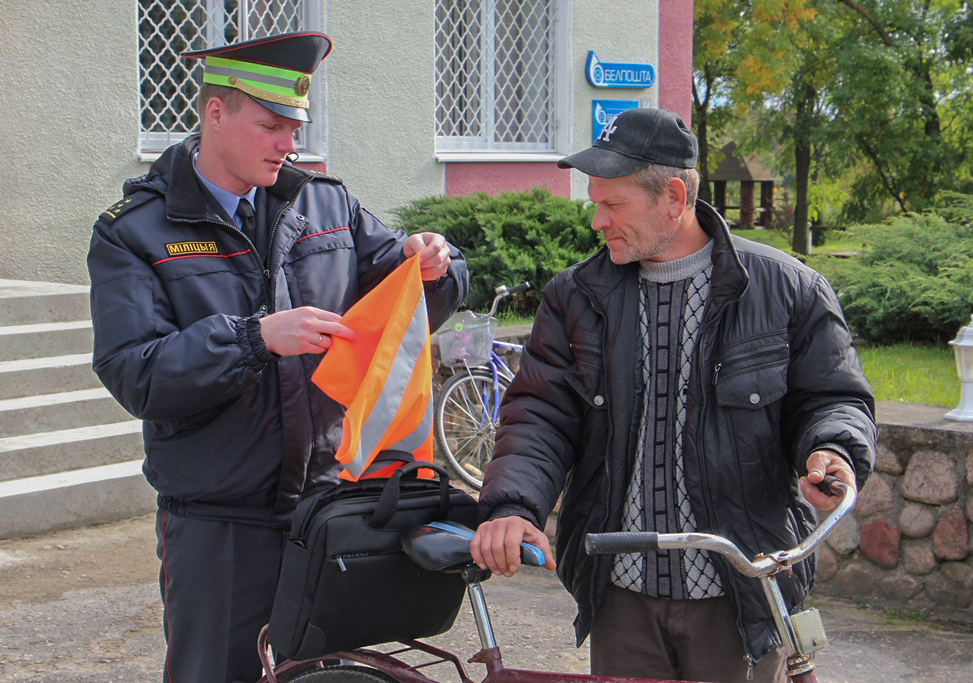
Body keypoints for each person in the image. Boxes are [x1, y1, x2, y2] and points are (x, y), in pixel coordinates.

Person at [87, 32, 468, 683]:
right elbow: (136, 372)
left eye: (295, 125)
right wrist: (254, 337)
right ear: (215, 113)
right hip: (218, 530)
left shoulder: (326, 205)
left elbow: (407, 299)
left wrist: (433, 263)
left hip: (327, 513)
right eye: (270, 125)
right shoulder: (134, 232)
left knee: (326, 675)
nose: (288, 142)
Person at [469, 108, 875, 683]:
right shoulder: (575, 296)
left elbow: (833, 398)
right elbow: (539, 416)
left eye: (613, 205)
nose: (596, 220)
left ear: (674, 197)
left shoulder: (787, 289)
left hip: (742, 590)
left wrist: (832, 449)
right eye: (595, 202)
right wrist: (511, 507)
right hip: (621, 593)